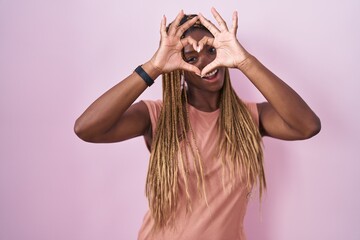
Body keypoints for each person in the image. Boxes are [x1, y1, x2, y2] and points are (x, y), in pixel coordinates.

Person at [74, 7, 321, 240]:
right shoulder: (158, 116)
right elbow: (86, 128)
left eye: (211, 51)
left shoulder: (251, 118)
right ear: (178, 67)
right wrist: (153, 67)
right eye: (191, 57)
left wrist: (245, 61)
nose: (205, 62)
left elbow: (307, 125)